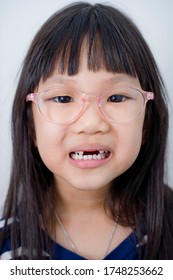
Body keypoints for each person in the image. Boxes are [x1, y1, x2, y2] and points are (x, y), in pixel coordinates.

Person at [0, 2, 173, 260]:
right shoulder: (7, 247)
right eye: (62, 99)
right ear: (31, 126)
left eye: (116, 97)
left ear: (147, 123)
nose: (90, 123)